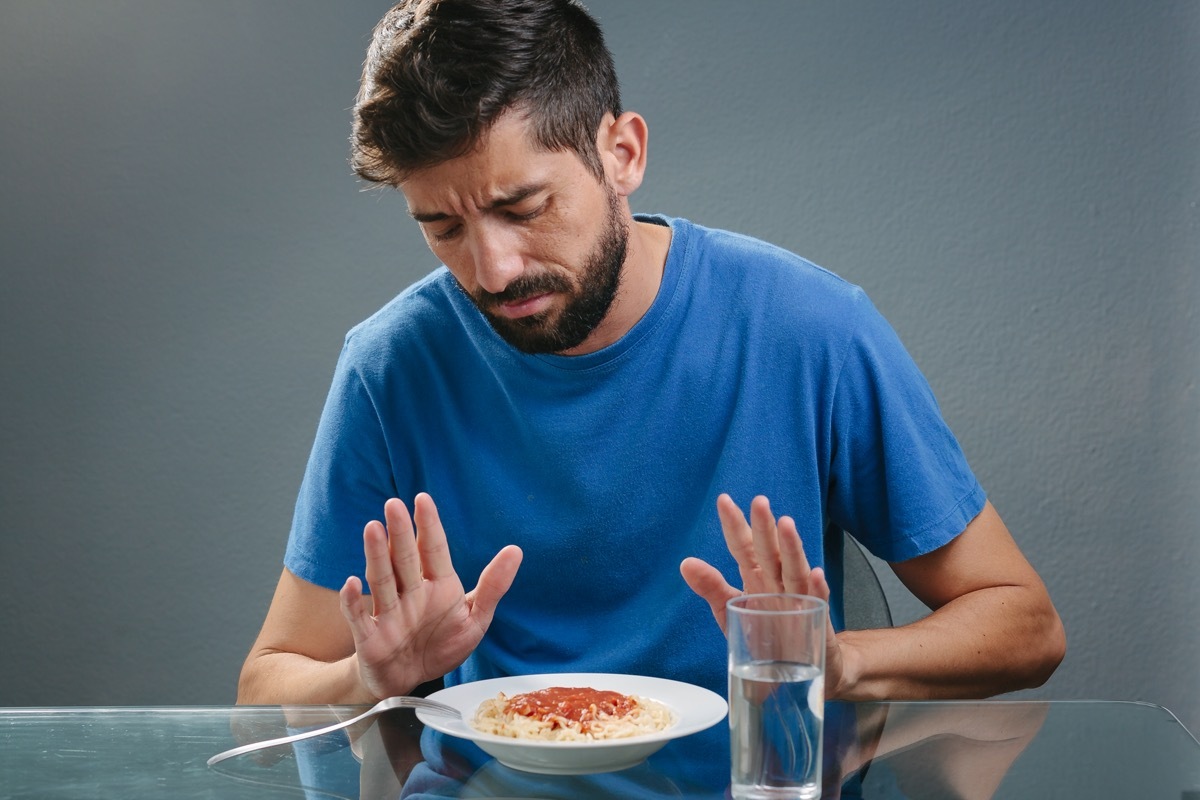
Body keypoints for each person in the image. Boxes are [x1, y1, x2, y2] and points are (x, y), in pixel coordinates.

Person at [237, 0, 1065, 708]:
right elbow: (264, 687)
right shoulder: (391, 367)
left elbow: (1024, 623)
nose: (491, 271)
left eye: (522, 207)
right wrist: (366, 676)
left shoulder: (809, 328)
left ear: (622, 154)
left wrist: (836, 662)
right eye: (443, 229)